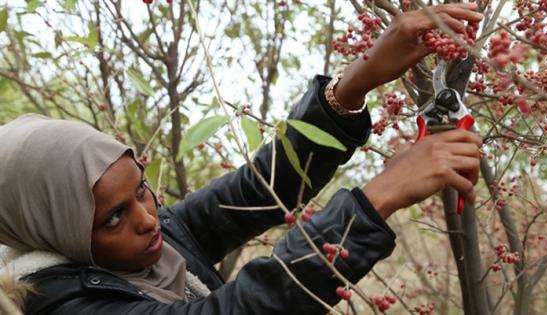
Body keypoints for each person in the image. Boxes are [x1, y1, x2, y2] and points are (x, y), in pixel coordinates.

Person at [0, 3, 483, 314]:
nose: (149, 220)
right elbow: (238, 310)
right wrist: (379, 195)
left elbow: (258, 189)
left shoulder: (151, 244)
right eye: (113, 217)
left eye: (140, 187)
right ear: (53, 228)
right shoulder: (57, 302)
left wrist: (354, 83)